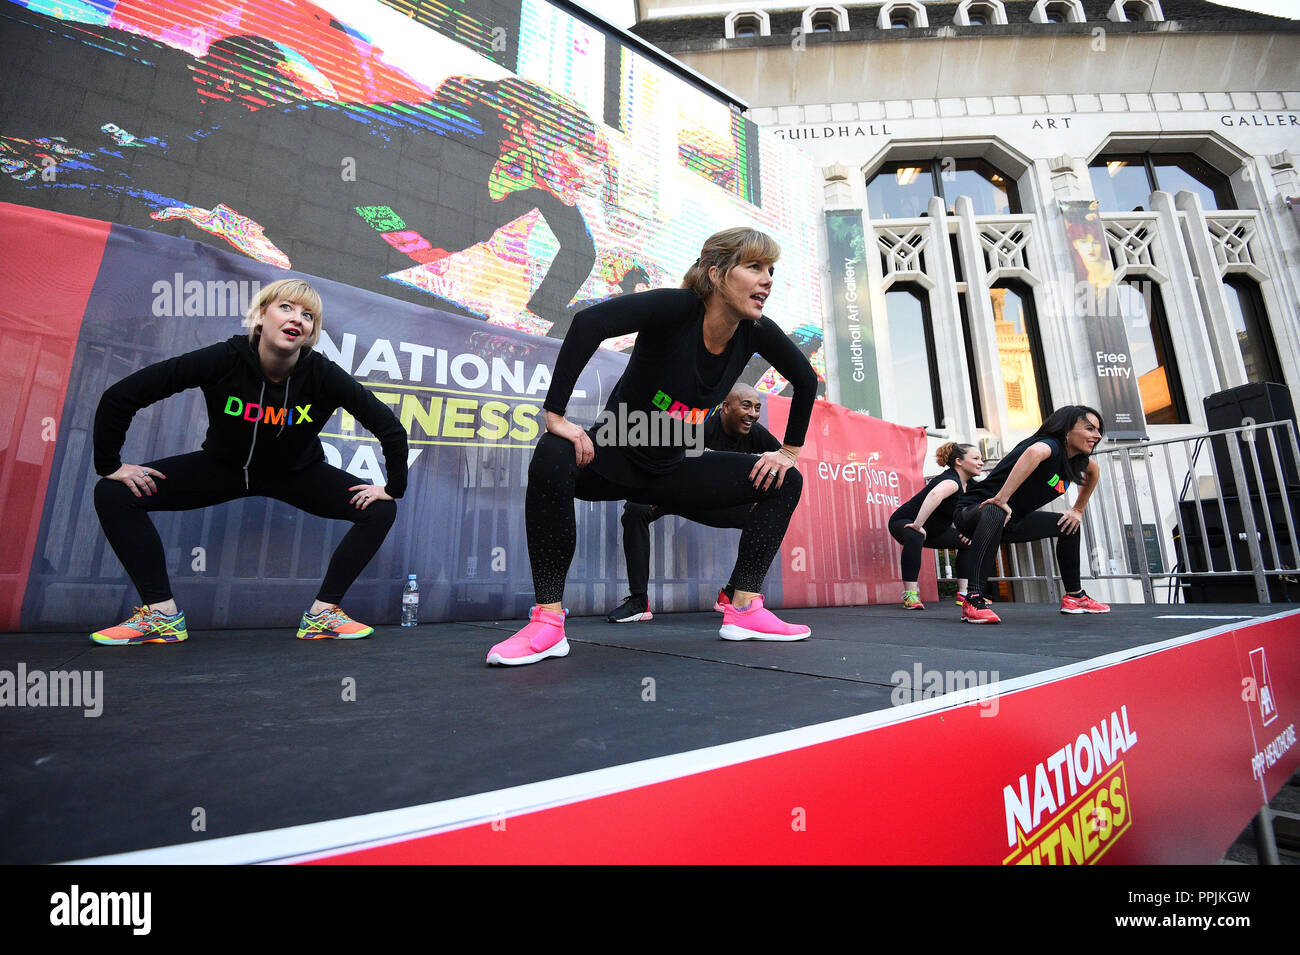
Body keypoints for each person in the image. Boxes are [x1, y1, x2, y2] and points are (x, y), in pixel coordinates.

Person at [487, 227, 819, 665]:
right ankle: (547, 624)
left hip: (673, 472)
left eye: (771, 270)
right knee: (552, 450)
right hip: (613, 459)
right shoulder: (676, 308)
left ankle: (743, 608)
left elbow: (805, 379)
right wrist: (556, 415)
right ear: (717, 274)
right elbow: (590, 323)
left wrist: (788, 451)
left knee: (784, 479)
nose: (767, 279)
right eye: (754, 267)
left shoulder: (754, 331)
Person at [90, 278, 408, 644]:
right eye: (286, 307)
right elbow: (121, 396)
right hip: (223, 469)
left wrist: (392, 487)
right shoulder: (224, 359)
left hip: (296, 474)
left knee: (380, 511)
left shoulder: (322, 375)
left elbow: (391, 430)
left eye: (308, 315)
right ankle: (161, 615)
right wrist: (110, 465)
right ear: (260, 317)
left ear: (311, 332)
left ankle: (323, 614)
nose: (297, 318)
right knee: (113, 493)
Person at [607, 382, 780, 623]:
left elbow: (784, 462)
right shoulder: (698, 422)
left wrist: (762, 492)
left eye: (757, 408)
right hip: (678, 494)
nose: (753, 413)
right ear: (726, 407)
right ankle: (638, 601)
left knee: (769, 518)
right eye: (747, 406)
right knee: (635, 510)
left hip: (715, 501)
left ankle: (732, 593)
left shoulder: (755, 433)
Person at [952, 406, 1111, 624]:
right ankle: (974, 598)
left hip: (1010, 520)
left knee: (1069, 524)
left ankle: (1075, 597)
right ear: (1067, 430)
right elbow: (1034, 452)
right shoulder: (1051, 446)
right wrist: (1002, 499)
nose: (1097, 435)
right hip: (973, 510)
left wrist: (1078, 510)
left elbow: (1094, 473)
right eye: (1090, 428)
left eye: (1098, 430)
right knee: (996, 510)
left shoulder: (1077, 459)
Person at [887, 442, 982, 610]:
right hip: (905, 521)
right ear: (959, 461)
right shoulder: (951, 480)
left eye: (981, 459)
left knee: (967, 541)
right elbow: (934, 495)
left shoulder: (972, 486)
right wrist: (917, 524)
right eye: (975, 458)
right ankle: (910, 596)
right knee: (915, 536)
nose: (981, 463)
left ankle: (964, 594)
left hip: (934, 530)